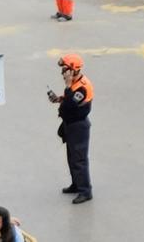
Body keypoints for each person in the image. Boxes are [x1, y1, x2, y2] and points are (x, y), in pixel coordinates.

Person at [48, 53, 93, 204]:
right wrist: (59, 98)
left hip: (78, 127)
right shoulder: (75, 84)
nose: (63, 74)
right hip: (70, 125)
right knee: (71, 157)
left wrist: (67, 88)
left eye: (65, 70)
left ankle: (85, 191)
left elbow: (70, 104)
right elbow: (67, 100)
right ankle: (76, 184)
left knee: (79, 159)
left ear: (74, 70)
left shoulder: (82, 88)